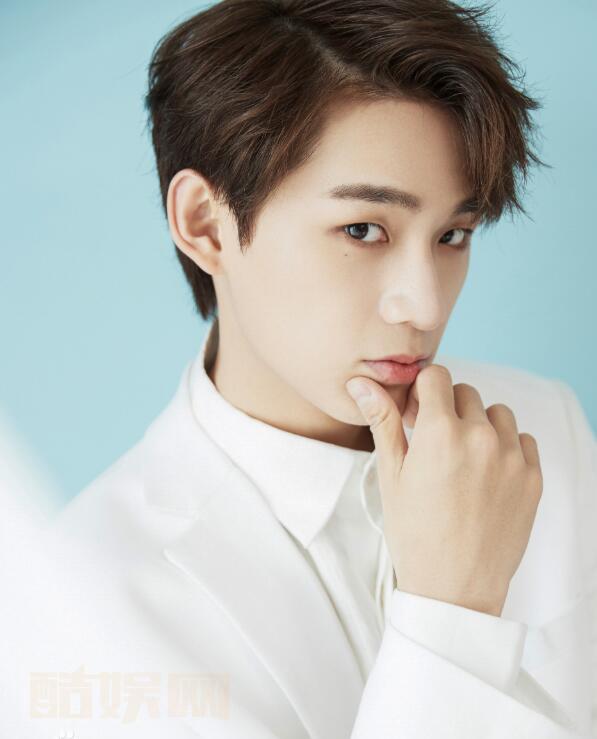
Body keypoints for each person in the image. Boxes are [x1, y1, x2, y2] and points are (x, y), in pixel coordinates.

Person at [38, 0, 596, 736]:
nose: (423, 304)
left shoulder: (541, 425)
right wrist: (451, 614)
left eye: (453, 234)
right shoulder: (84, 591)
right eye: (363, 229)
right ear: (205, 223)